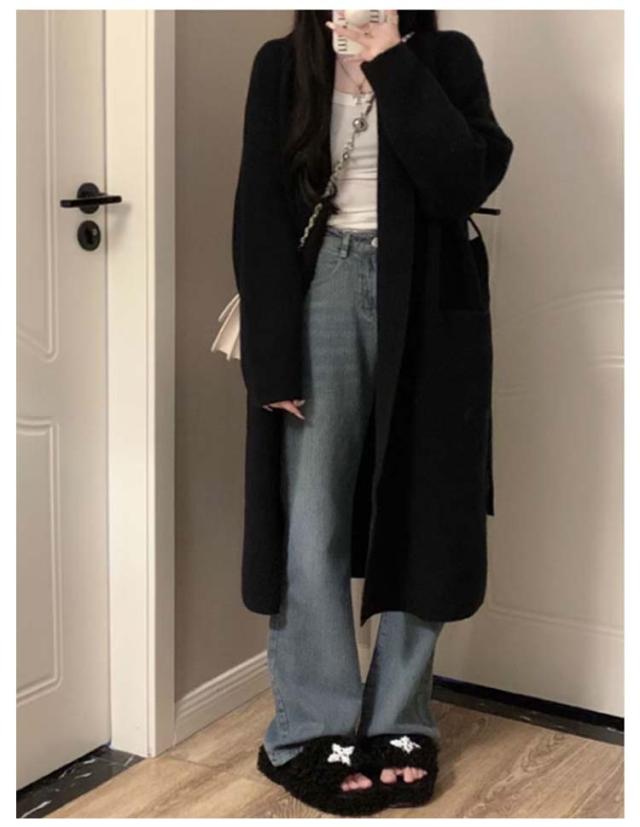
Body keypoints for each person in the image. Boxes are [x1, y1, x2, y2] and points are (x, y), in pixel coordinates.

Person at [231, 9, 514, 817]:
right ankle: (310, 728)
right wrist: (271, 354)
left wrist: (392, 64)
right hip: (321, 288)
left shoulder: (445, 57)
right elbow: (259, 207)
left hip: (428, 299)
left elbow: (463, 181)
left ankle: (400, 721)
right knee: (312, 513)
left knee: (427, 512)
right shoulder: (281, 64)